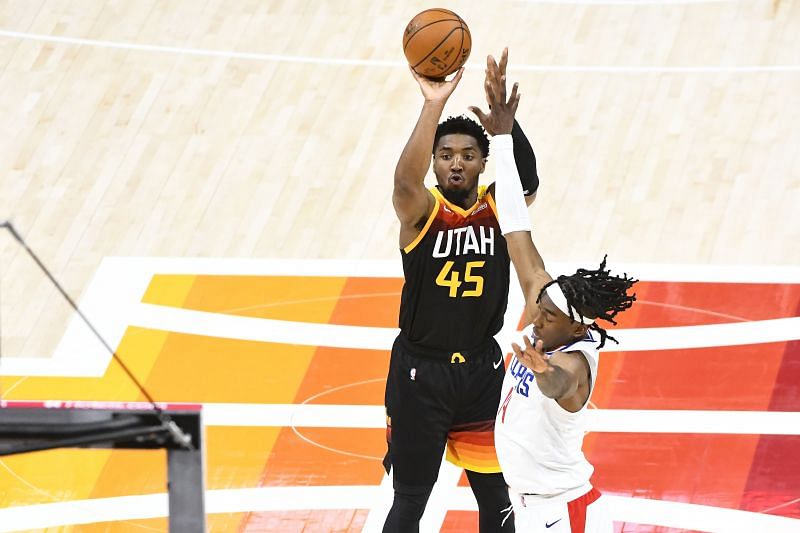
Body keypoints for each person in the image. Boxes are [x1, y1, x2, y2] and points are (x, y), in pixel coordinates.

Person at [480, 53, 637, 532]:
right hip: (535, 508)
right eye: (540, 308)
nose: (537, 318)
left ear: (577, 326)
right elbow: (515, 221)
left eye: (548, 317)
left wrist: (544, 372)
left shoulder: (575, 362)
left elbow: (561, 385)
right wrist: (503, 139)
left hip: (566, 513)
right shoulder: (546, 306)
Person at [384, 51, 540, 533]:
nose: (456, 163)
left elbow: (528, 183)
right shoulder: (422, 211)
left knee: (497, 496)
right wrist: (434, 102)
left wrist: (506, 128)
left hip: (479, 371)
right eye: (446, 155)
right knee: (411, 499)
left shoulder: (499, 208)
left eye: (468, 156)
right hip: (419, 374)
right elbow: (403, 180)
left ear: (481, 163)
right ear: (434, 163)